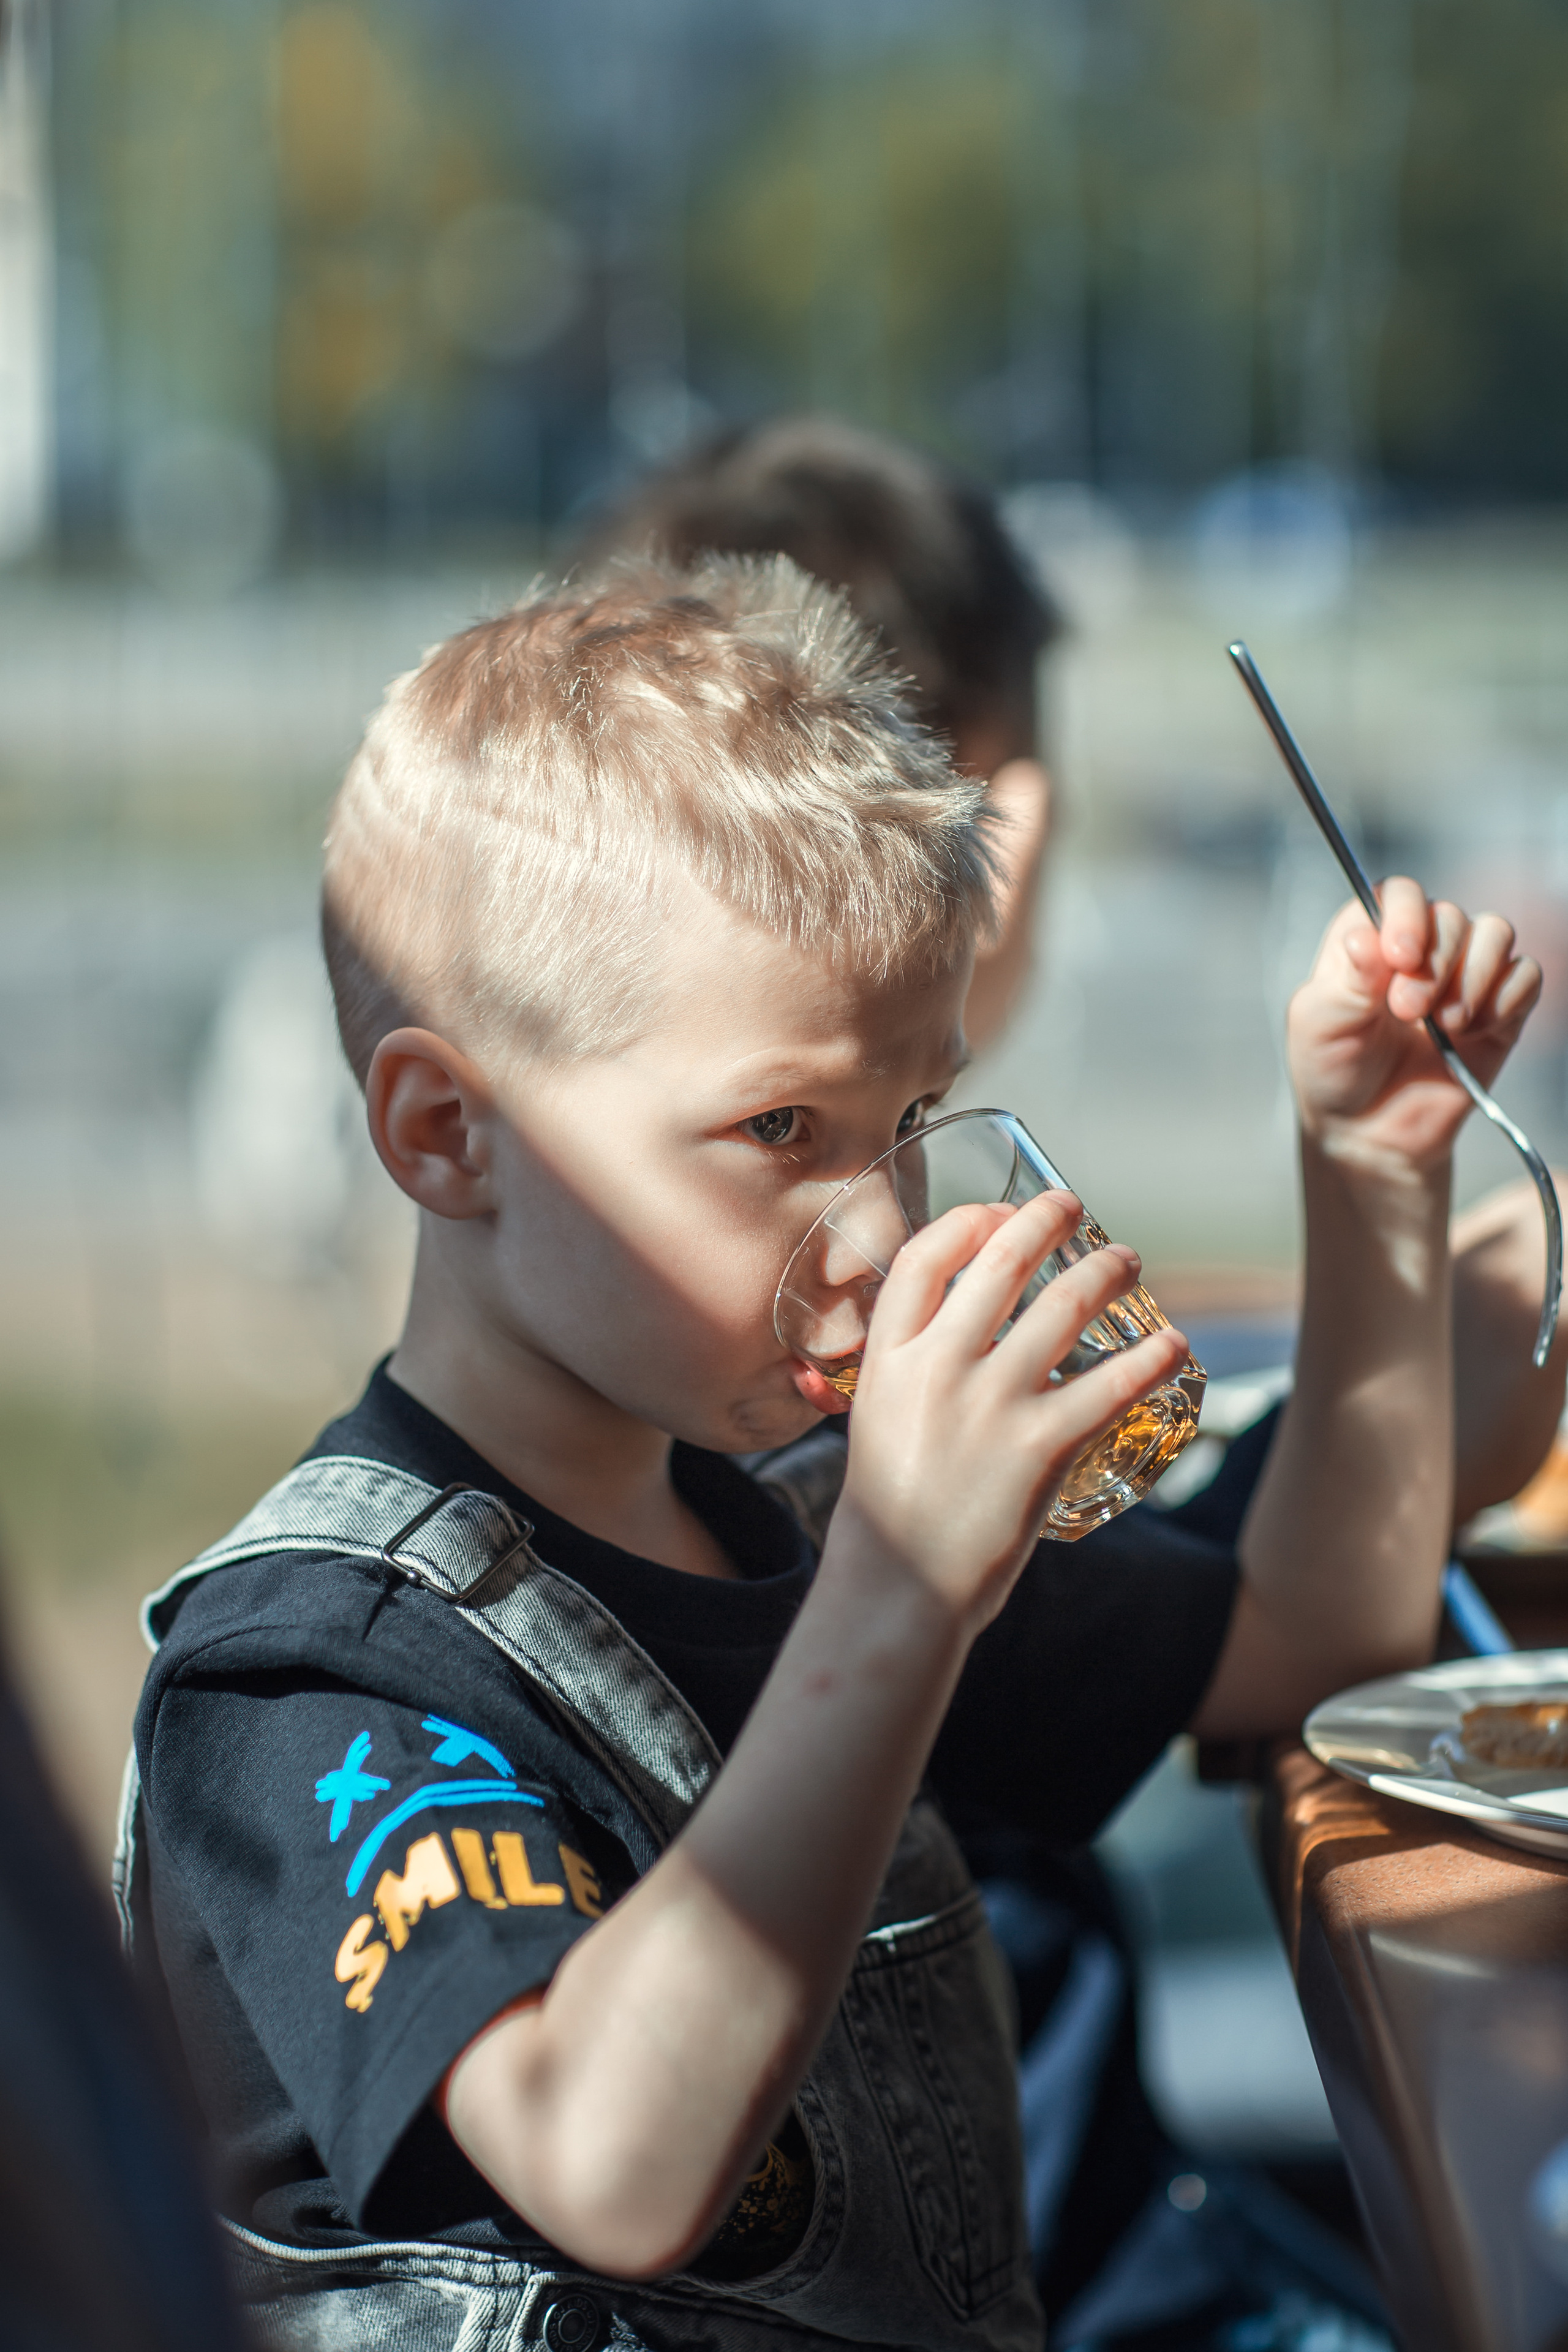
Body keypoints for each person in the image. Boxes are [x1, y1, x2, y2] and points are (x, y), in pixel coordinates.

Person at [128, 554, 1541, 2350]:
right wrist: (899, 1594)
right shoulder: (311, 1679)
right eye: (778, 1126)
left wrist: (1376, 1170)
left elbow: (1313, 1629)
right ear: (444, 1134)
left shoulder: (794, 1523)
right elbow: (610, 2160)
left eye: (912, 1122)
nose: (878, 1230)